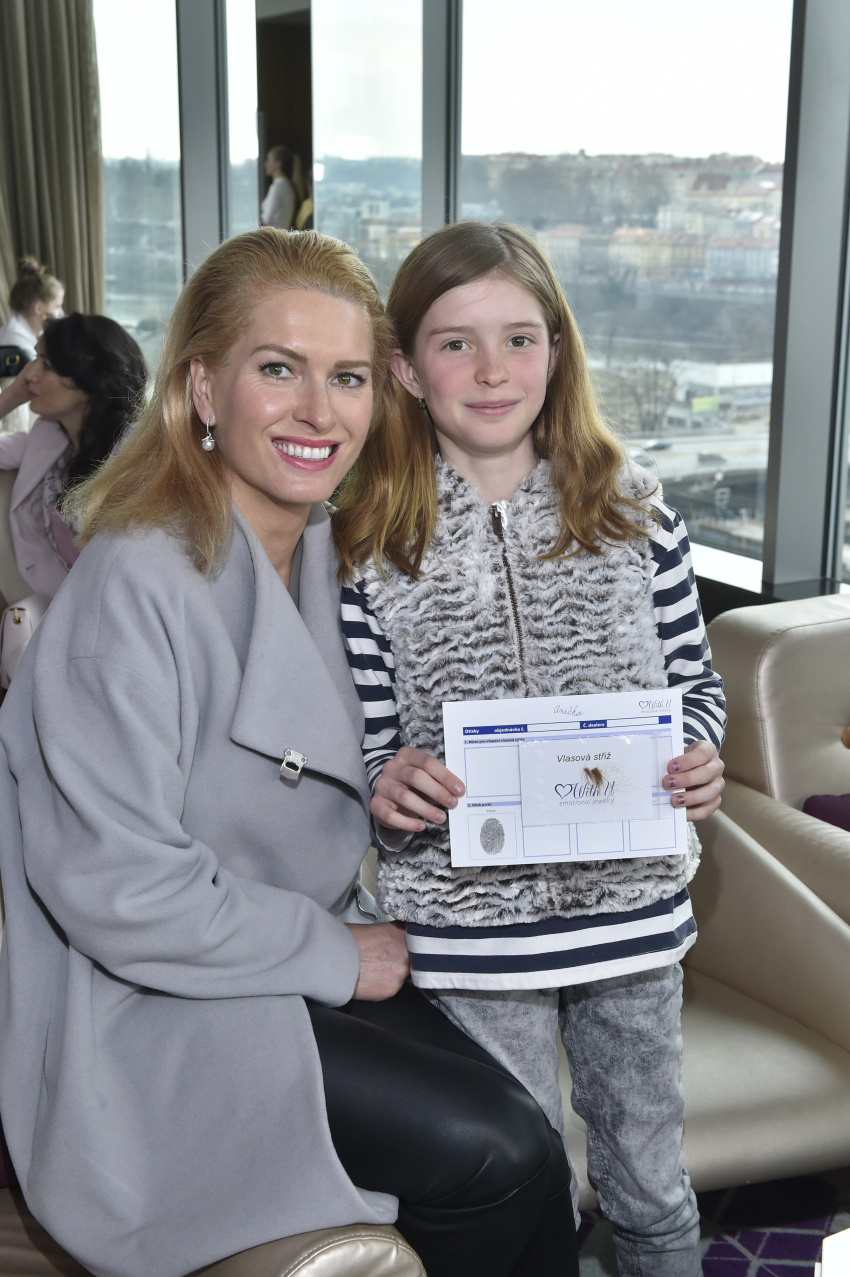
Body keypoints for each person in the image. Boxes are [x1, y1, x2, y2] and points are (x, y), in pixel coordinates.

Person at [0, 227, 577, 1277]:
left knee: (531, 1131)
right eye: (279, 369)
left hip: (278, 958)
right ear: (202, 388)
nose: (320, 411)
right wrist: (337, 953)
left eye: (347, 376)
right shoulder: (133, 585)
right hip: (147, 1006)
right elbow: (120, 890)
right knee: (495, 1148)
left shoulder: (322, 550)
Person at [334, 220, 727, 1277]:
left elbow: (695, 687)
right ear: (405, 369)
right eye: (455, 343)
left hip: (631, 917)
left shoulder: (637, 512)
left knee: (651, 1177)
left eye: (518, 337)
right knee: (523, 1184)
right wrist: (387, 782)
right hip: (468, 932)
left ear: (556, 348)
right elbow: (366, 740)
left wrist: (697, 753)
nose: (492, 369)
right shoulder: (367, 540)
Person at [0, 313, 146, 600]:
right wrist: (13, 395)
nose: (29, 374)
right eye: (35, 358)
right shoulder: (48, 437)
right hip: (56, 606)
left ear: (88, 381)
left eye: (46, 365)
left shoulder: (137, 457)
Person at [0, 256, 65, 360]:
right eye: (57, 306)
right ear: (39, 308)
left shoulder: (38, 332)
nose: (62, 313)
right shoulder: (15, 339)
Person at [261, 144, 299, 229]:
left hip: (272, 236)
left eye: (268, 160)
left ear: (277, 164)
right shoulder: (286, 185)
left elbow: (267, 220)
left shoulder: (278, 187)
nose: (266, 164)